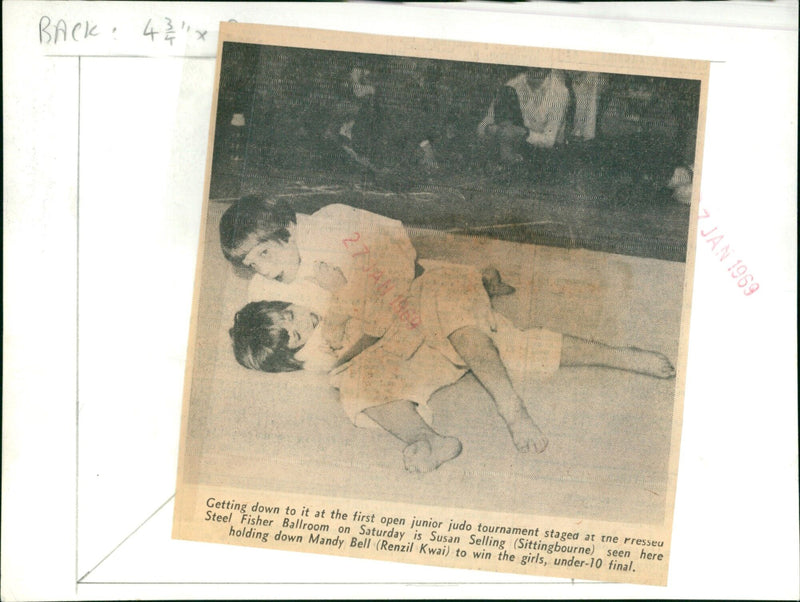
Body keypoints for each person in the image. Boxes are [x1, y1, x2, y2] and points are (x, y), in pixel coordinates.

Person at [229, 265, 675, 473]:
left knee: (502, 342)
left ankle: (523, 401)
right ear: (292, 354)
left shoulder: (321, 285)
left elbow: (388, 282)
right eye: (292, 333)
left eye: (290, 313)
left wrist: (342, 291)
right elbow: (347, 370)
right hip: (412, 361)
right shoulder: (315, 358)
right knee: (357, 390)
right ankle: (428, 440)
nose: (299, 321)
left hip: (424, 315)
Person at [478, 68, 570, 165]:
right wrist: (492, 129)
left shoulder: (560, 92)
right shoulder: (513, 85)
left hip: (544, 154)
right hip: (510, 145)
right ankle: (507, 155)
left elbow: (549, 141)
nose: (535, 69)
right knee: (507, 92)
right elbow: (483, 125)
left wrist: (521, 133)